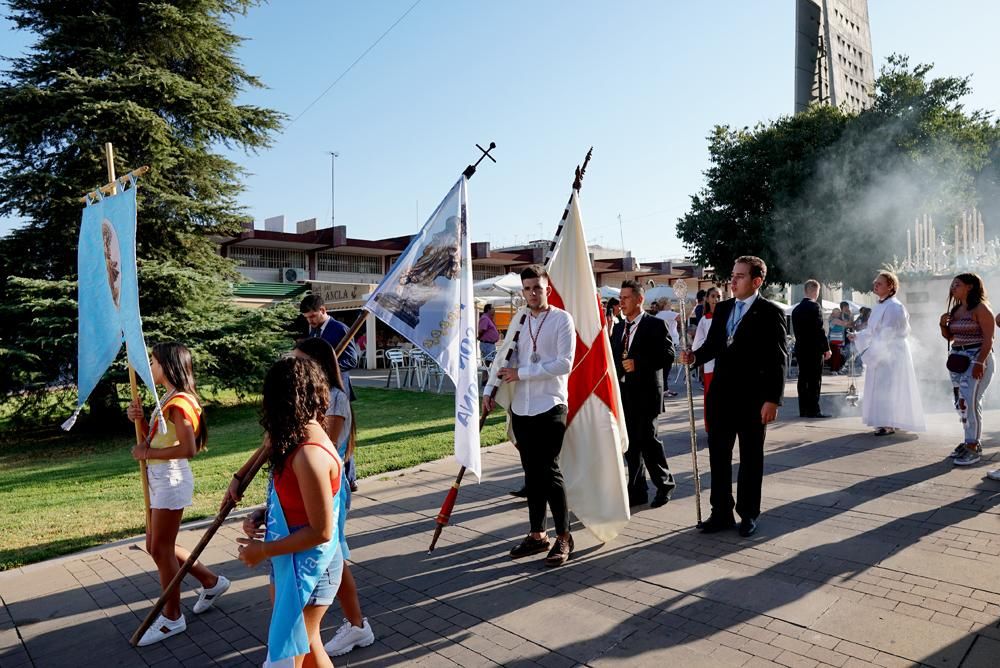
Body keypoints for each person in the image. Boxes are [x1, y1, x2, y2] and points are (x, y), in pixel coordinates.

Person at [236, 356, 343, 667]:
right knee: (309, 649)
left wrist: (263, 550)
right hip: (292, 562)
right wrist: (266, 513)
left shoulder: (309, 453)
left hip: (310, 570)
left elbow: (321, 529)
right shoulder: (295, 440)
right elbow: (299, 500)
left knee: (288, 658)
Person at [128, 342, 230, 646]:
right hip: (161, 478)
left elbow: (189, 449)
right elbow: (161, 440)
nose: (151, 366)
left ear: (169, 365)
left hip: (171, 479)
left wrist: (145, 451)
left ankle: (172, 617)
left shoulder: (179, 403)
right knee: (156, 545)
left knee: (159, 548)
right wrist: (140, 421)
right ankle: (211, 581)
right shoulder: (169, 398)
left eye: (155, 362)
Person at [680, 256, 787, 538]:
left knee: (751, 458)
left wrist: (773, 399)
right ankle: (721, 512)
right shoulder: (724, 308)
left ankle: (749, 513)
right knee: (718, 456)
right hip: (721, 396)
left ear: (757, 281)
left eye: (740, 276)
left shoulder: (769, 312)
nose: (733, 280)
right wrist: (694, 356)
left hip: (753, 400)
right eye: (732, 274)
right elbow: (714, 345)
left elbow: (778, 359)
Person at [482, 265, 576, 567]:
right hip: (522, 408)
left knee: (549, 472)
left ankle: (564, 537)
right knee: (532, 475)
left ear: (547, 287)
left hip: (550, 406)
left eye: (538, 287)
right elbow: (503, 356)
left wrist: (522, 373)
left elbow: (564, 363)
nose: (533, 293)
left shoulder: (562, 319)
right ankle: (538, 534)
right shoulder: (520, 319)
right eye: (527, 288)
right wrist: (488, 391)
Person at [291, 339, 376, 655]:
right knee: (331, 558)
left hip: (330, 487)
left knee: (333, 557)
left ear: (317, 363)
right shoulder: (309, 397)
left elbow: (325, 444)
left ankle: (356, 625)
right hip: (311, 484)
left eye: (300, 361)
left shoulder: (336, 398)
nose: (295, 368)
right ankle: (350, 624)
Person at [611, 280, 676, 508]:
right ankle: (637, 490)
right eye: (620, 298)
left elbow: (668, 355)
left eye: (626, 297)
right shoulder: (618, 327)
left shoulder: (655, 325)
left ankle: (664, 484)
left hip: (647, 394)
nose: (622, 302)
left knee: (649, 442)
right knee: (631, 445)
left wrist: (639, 363)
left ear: (640, 300)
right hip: (625, 394)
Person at [848, 271, 925, 436]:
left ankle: (888, 423)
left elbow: (888, 334)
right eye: (875, 282)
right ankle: (883, 420)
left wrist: (872, 353)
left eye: (880, 283)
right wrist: (858, 336)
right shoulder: (879, 306)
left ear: (891, 286)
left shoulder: (895, 307)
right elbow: (872, 330)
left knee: (889, 386)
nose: (875, 285)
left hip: (892, 352)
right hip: (881, 349)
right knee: (879, 386)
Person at [300, 294, 360, 492]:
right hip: (321, 393)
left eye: (313, 316)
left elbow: (352, 359)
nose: (310, 321)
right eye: (307, 318)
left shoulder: (340, 329)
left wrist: (325, 368)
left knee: (341, 437)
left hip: (338, 390)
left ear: (323, 310)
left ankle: (349, 478)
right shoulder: (313, 331)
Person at [939, 274, 995, 466]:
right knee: (961, 403)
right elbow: (950, 338)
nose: (953, 287)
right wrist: (942, 324)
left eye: (958, 284)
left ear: (970, 287)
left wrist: (980, 363)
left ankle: (973, 445)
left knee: (969, 401)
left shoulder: (980, 308)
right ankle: (968, 441)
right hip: (958, 359)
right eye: (953, 284)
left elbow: (989, 339)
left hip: (977, 358)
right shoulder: (956, 310)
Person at [792, 280, 833, 418]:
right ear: (815, 290)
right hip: (814, 349)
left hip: (800, 348)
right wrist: (826, 348)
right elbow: (819, 329)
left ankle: (803, 409)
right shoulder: (815, 307)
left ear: (805, 290)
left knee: (803, 378)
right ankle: (814, 410)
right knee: (815, 380)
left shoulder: (796, 309)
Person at [691, 287, 721, 431]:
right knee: (711, 398)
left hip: (726, 364)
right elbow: (697, 344)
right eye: (713, 296)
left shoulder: (727, 317)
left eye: (719, 296)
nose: (716, 299)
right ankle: (711, 426)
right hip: (710, 364)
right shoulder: (705, 320)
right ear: (707, 299)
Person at [656, 299, 681, 398]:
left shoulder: (659, 314)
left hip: (662, 342)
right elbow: (682, 317)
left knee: (665, 367)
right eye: (669, 303)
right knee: (667, 367)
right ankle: (664, 390)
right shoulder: (668, 313)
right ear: (665, 305)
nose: (671, 305)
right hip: (669, 342)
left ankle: (665, 389)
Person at [828, 307, 847, 372]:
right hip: (834, 341)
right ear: (834, 313)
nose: (839, 314)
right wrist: (843, 314)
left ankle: (837, 369)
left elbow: (845, 323)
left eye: (839, 313)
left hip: (839, 341)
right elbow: (844, 323)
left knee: (838, 356)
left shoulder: (837, 319)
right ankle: (833, 370)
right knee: (835, 356)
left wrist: (843, 315)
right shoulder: (833, 320)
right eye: (838, 312)